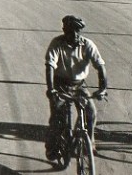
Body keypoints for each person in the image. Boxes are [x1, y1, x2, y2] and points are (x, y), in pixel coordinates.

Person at [45, 15, 107, 160]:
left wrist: (103, 88)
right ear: (64, 30)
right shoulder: (57, 43)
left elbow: (100, 66)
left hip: (79, 85)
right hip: (60, 84)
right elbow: (50, 66)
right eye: (70, 31)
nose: (74, 35)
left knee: (91, 112)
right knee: (58, 117)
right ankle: (52, 147)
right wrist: (51, 89)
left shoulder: (87, 44)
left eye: (77, 31)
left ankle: (89, 143)